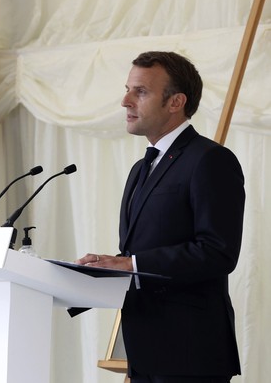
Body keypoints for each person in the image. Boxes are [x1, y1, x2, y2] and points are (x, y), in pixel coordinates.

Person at [77, 52, 245, 382]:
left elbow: (217, 252)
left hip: (190, 353)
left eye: (140, 91)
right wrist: (109, 265)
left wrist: (133, 264)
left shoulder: (211, 160)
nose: (125, 100)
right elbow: (142, 249)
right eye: (128, 89)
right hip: (145, 351)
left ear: (175, 102)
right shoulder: (141, 169)